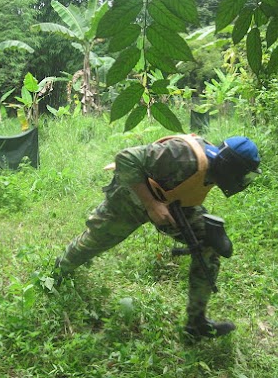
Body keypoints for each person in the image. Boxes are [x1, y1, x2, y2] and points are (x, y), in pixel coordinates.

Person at [54, 133, 261, 339]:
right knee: (93, 242)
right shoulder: (182, 155)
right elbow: (126, 158)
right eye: (242, 175)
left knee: (209, 244)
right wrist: (152, 205)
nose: (242, 181)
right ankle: (55, 274)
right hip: (130, 199)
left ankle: (196, 324)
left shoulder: (212, 168)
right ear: (230, 166)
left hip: (173, 204)